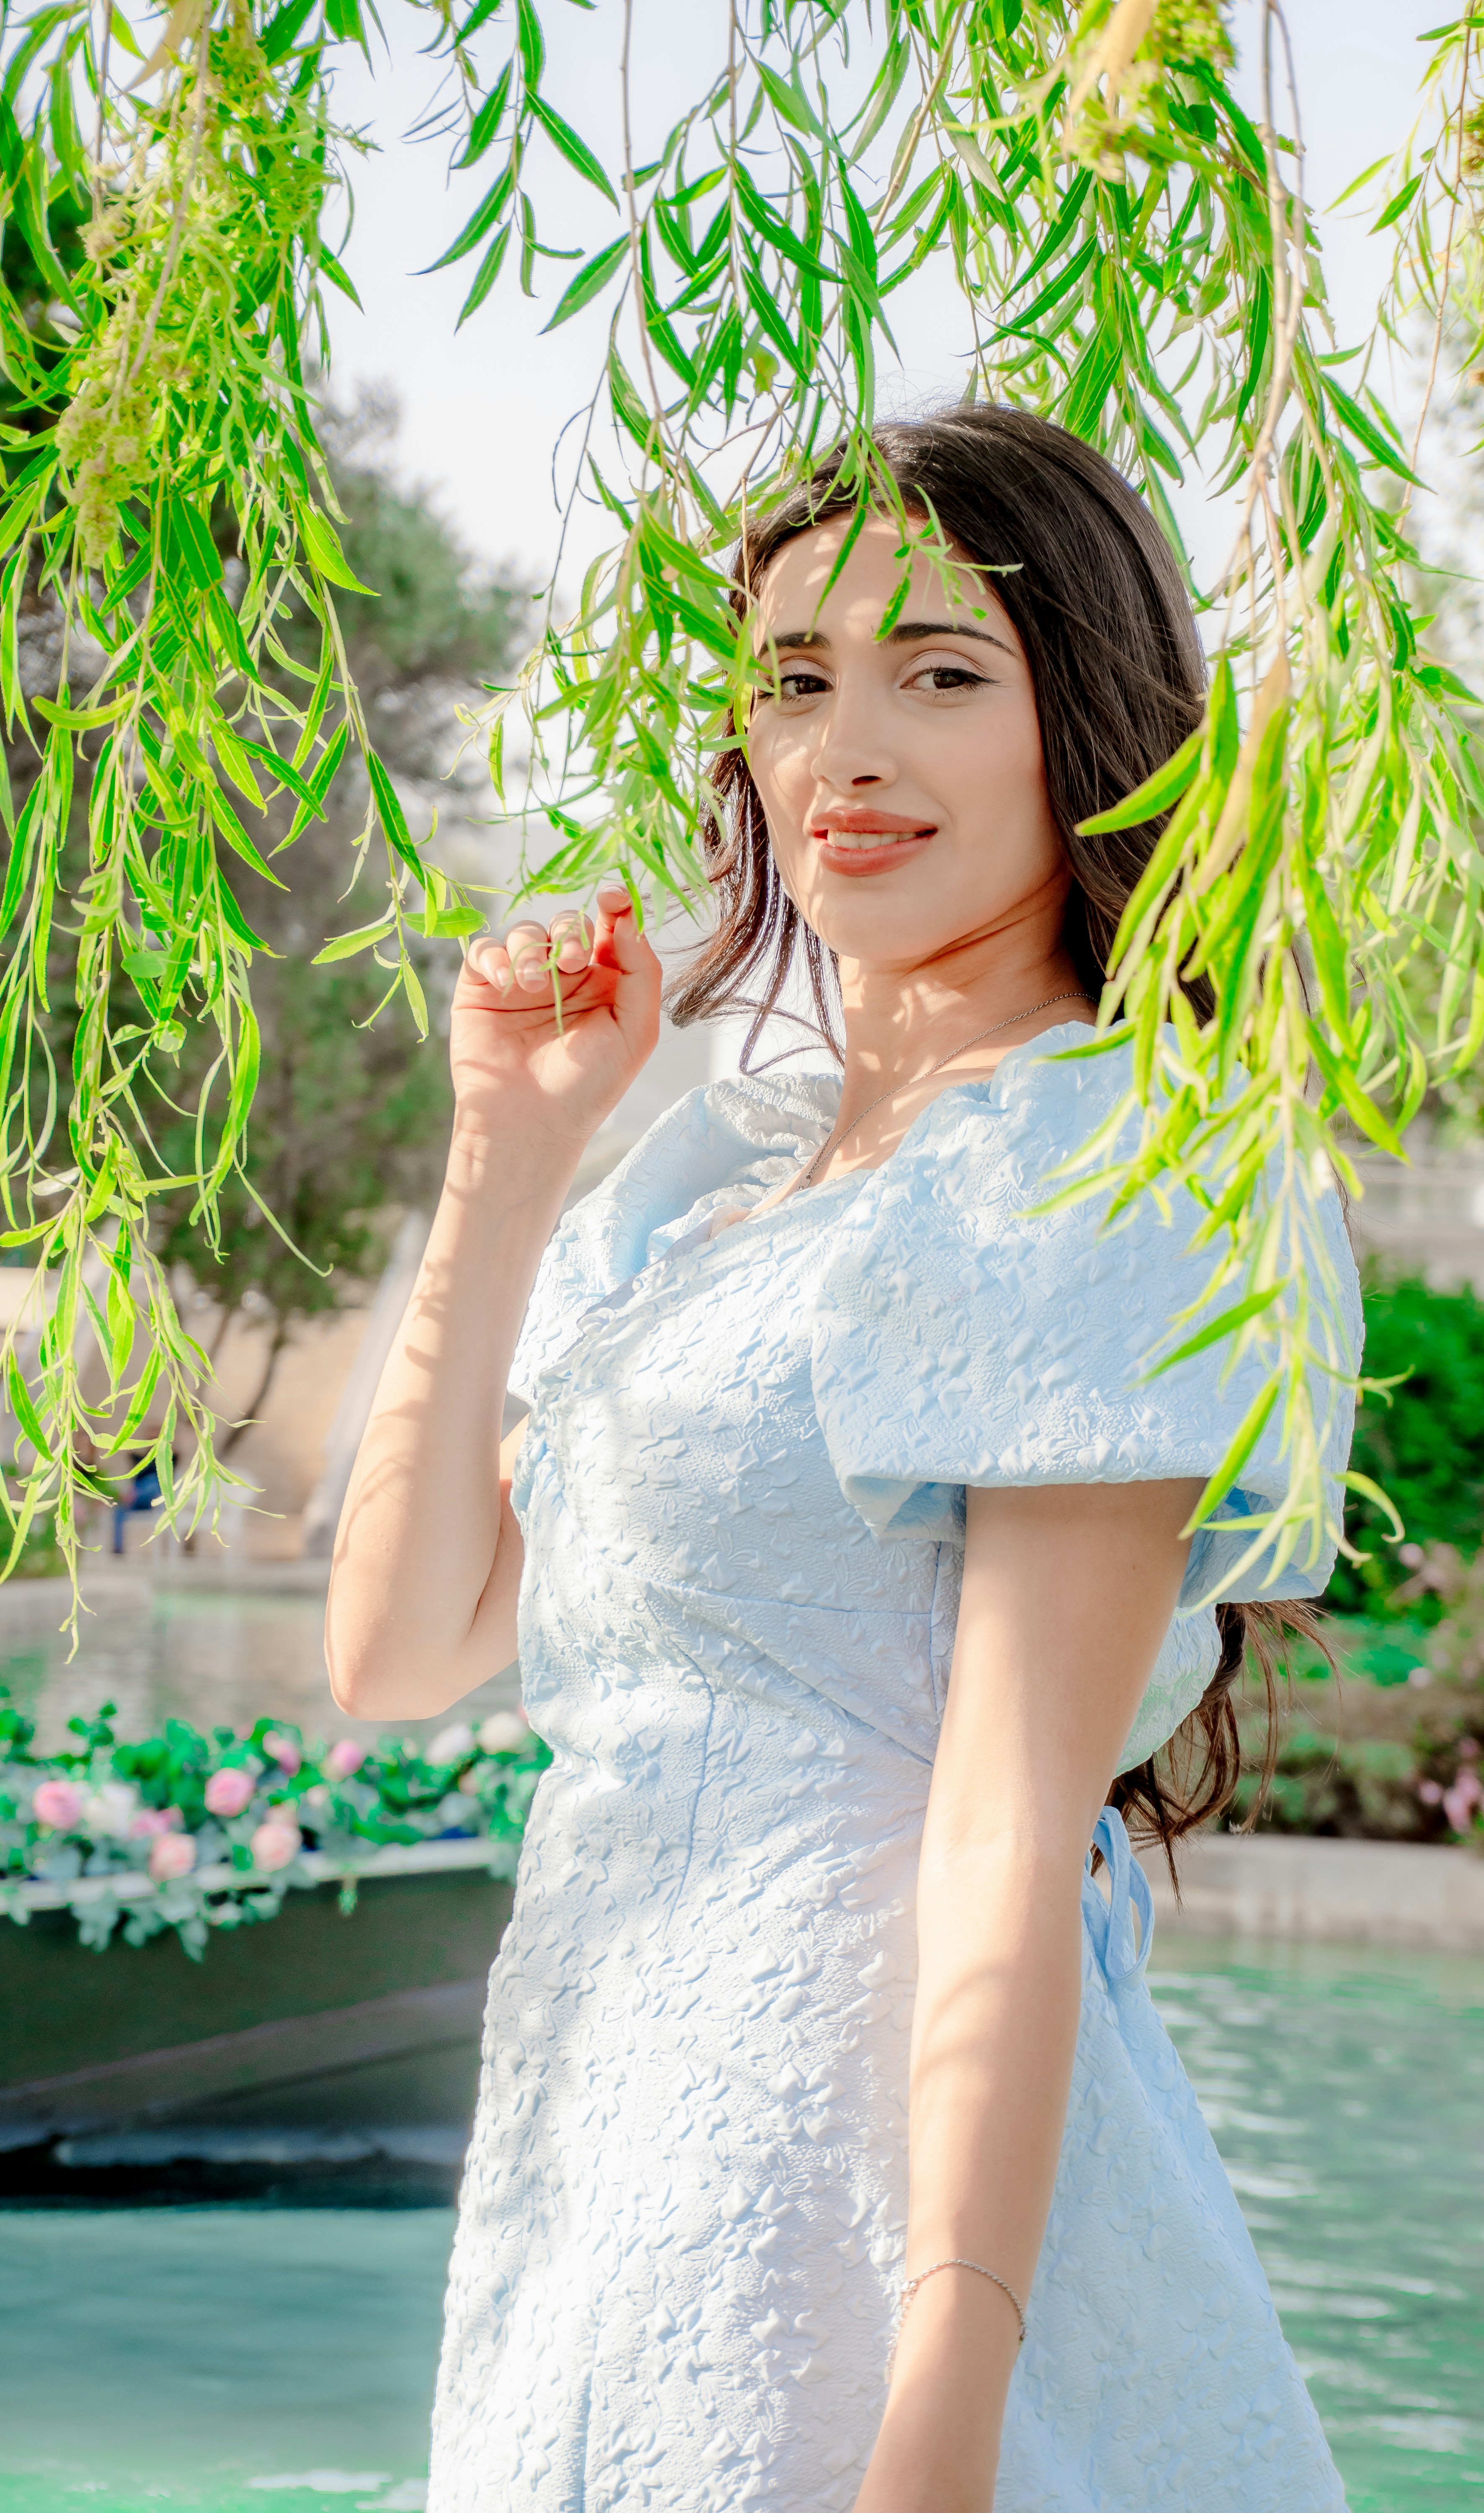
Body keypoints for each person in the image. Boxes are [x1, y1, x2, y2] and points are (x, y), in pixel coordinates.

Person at [326, 402, 1359, 2513]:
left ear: (1096, 727)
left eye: (941, 674)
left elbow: (1003, 1824)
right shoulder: (718, 1175)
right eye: (794, 681)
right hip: (602, 2145)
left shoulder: (1100, 1159)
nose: (846, 748)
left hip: (871, 2196)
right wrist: (508, 1165)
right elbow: (405, 1650)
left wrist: (945, 2415)